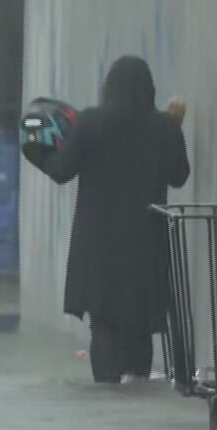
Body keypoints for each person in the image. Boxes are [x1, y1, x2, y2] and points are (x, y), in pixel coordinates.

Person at [40, 56, 191, 384]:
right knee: (140, 328)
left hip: (99, 248)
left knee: (104, 324)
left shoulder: (90, 123)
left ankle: (107, 387)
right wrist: (174, 128)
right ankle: (137, 382)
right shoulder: (163, 127)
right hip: (146, 245)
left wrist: (37, 150)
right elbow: (179, 175)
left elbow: (61, 170)